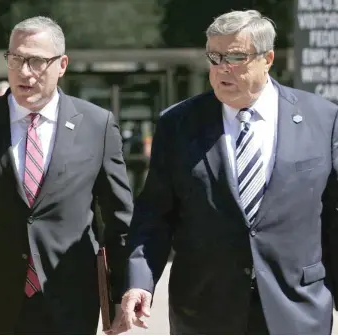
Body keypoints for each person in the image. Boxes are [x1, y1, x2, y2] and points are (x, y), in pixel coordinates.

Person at [114, 9, 338, 335]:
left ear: (268, 58)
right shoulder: (178, 124)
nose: (222, 69)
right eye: (215, 57)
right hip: (204, 311)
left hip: (296, 308)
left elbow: (333, 213)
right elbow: (155, 214)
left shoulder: (322, 117)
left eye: (235, 56)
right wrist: (139, 282)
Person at [0, 16, 133, 334]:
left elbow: (119, 220)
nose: (24, 72)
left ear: (62, 64)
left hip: (71, 301)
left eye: (36, 61)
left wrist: (122, 292)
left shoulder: (97, 125)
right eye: (16, 59)